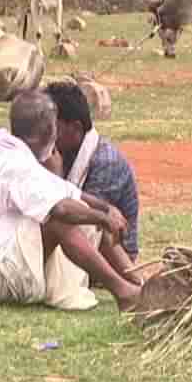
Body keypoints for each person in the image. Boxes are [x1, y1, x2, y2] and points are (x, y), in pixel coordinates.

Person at [0, 91, 141, 311]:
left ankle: (139, 285)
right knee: (61, 219)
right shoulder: (16, 164)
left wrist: (105, 210)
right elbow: (59, 207)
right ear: (50, 130)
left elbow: (68, 193)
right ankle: (125, 293)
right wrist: (103, 217)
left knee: (82, 211)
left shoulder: (2, 150)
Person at [44, 81, 140, 265]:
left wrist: (54, 177)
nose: (46, 134)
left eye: (53, 128)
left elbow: (84, 219)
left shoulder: (105, 162)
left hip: (112, 256)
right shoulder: (60, 152)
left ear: (76, 128)